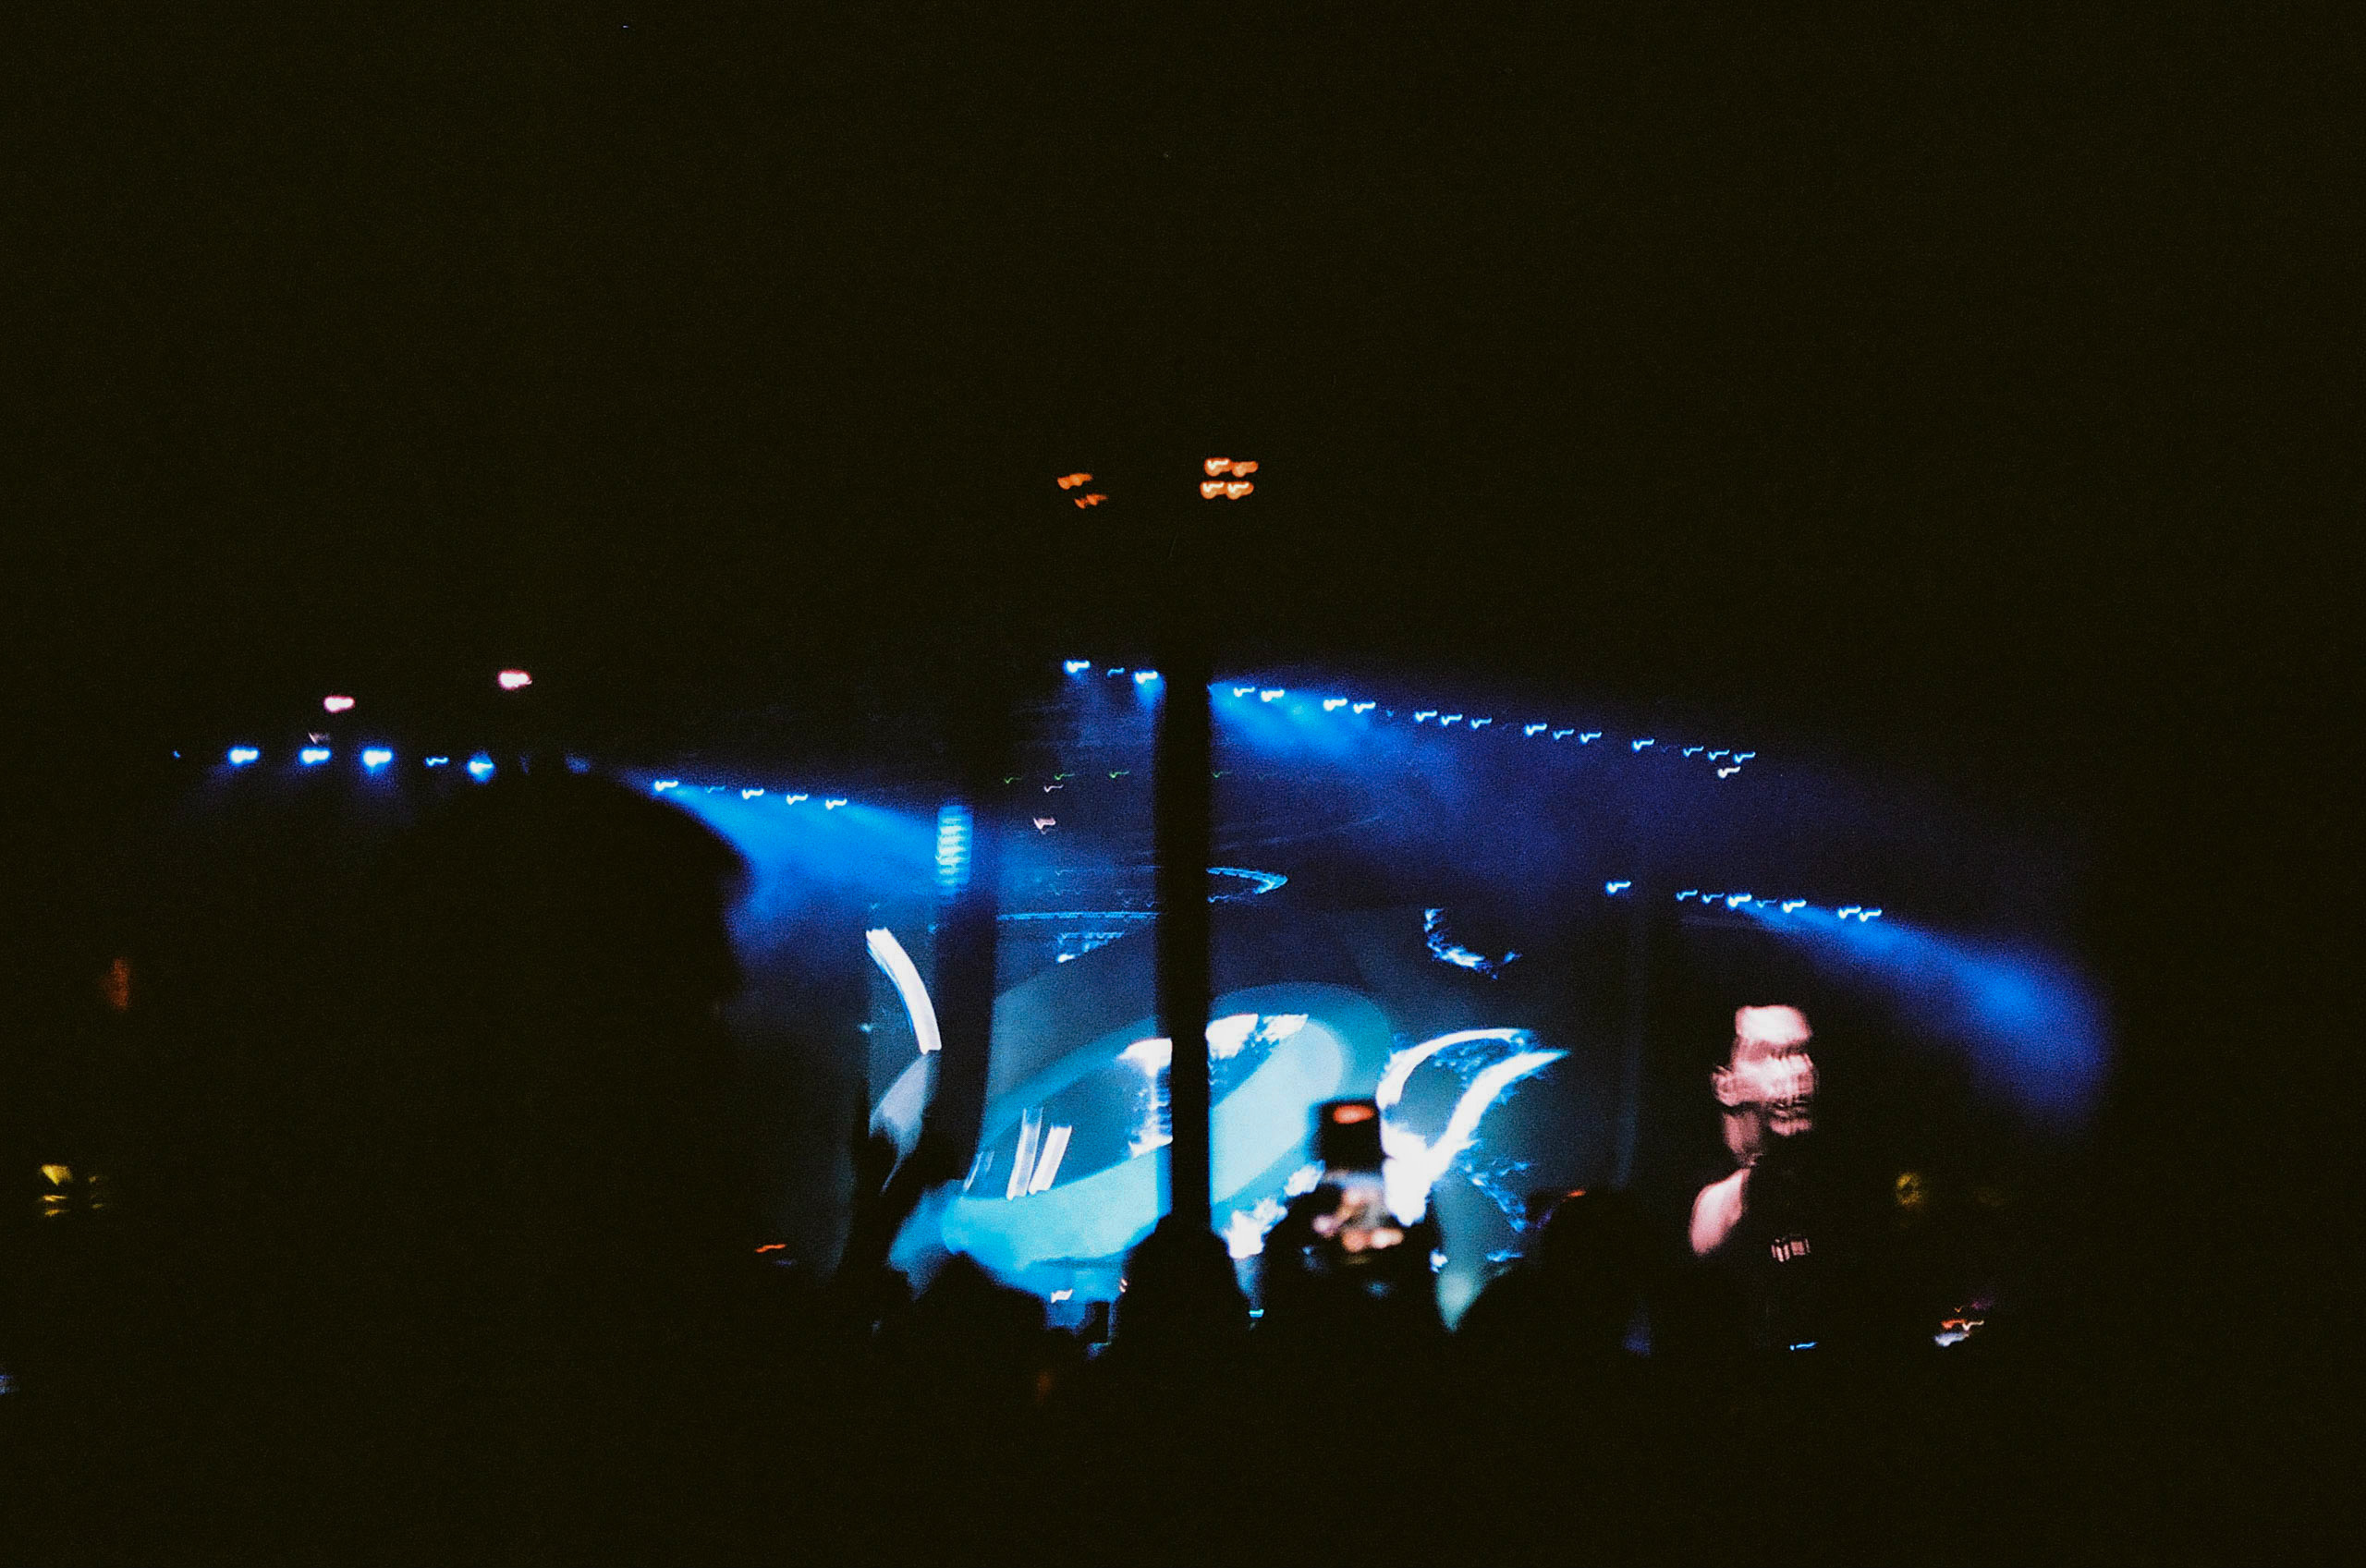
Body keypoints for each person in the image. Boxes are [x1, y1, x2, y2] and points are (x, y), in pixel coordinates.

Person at [1688, 1003, 1833, 1352]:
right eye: (1772, 1053)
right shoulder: (1709, 1195)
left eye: (1802, 1051)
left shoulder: (1825, 1187)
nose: (1800, 1069)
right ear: (1726, 1085)